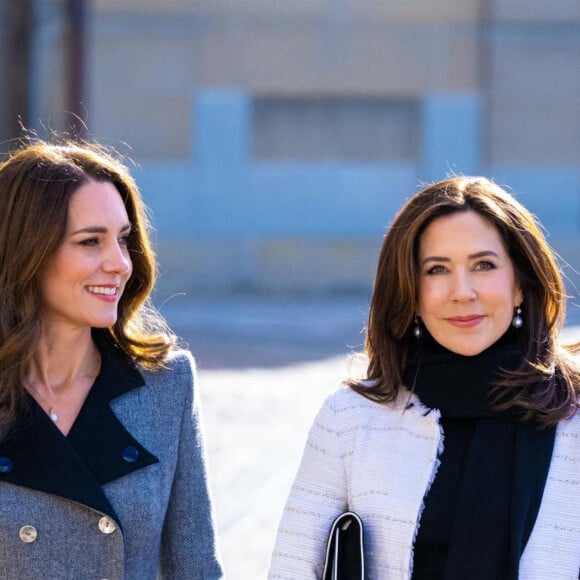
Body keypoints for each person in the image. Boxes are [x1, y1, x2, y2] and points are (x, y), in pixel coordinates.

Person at [269, 176, 580, 579]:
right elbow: (291, 570)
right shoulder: (350, 419)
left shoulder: (571, 414)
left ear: (521, 284)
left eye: (483, 265)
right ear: (410, 291)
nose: (462, 291)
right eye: (437, 270)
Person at [0, 139, 223, 579]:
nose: (120, 263)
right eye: (90, 242)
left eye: (123, 240)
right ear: (26, 252)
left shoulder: (166, 384)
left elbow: (195, 568)